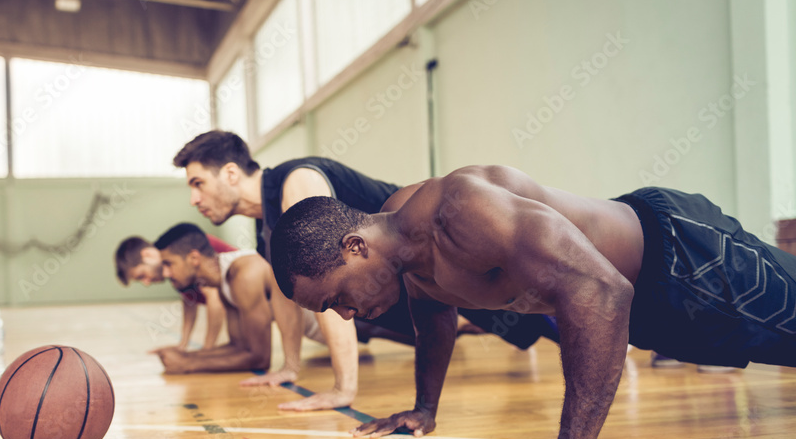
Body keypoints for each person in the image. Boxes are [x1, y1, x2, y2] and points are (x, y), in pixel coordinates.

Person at [269, 164, 796, 439]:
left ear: (355, 247)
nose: (343, 315)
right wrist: (424, 409)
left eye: (336, 298)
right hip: (653, 309)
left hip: (685, 255)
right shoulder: (401, 247)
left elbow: (602, 291)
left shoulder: (462, 211)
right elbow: (433, 316)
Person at [172, 130, 558, 411]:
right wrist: (288, 366)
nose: (194, 199)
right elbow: (288, 297)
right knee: (508, 324)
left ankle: (614, 337)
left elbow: (332, 277)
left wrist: (344, 389)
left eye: (198, 184)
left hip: (448, 254)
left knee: (542, 309)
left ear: (231, 174)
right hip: (410, 292)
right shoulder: (267, 228)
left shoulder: (296, 183)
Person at [152, 223, 321, 376]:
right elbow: (238, 346)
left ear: (194, 258)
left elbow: (260, 358)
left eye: (168, 264)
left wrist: (187, 363)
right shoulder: (224, 281)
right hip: (319, 336)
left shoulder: (244, 275)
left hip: (342, 331)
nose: (165, 274)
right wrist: (184, 355)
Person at [115, 233, 234, 352]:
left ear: (148, 255)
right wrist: (182, 344)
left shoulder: (181, 249)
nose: (146, 283)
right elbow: (189, 301)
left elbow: (216, 302)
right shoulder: (172, 269)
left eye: (142, 276)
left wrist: (207, 351)